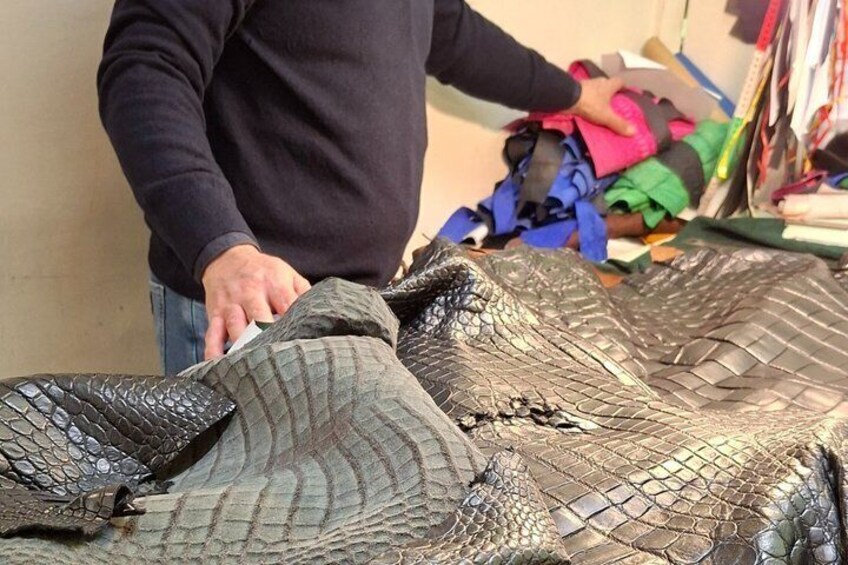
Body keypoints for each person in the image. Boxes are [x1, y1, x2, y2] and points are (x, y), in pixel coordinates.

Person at [98, 0, 634, 375]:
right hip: (255, 307)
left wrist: (573, 95)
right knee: (236, 507)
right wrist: (223, 250)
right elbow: (146, 68)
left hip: (367, 299)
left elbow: (455, 34)